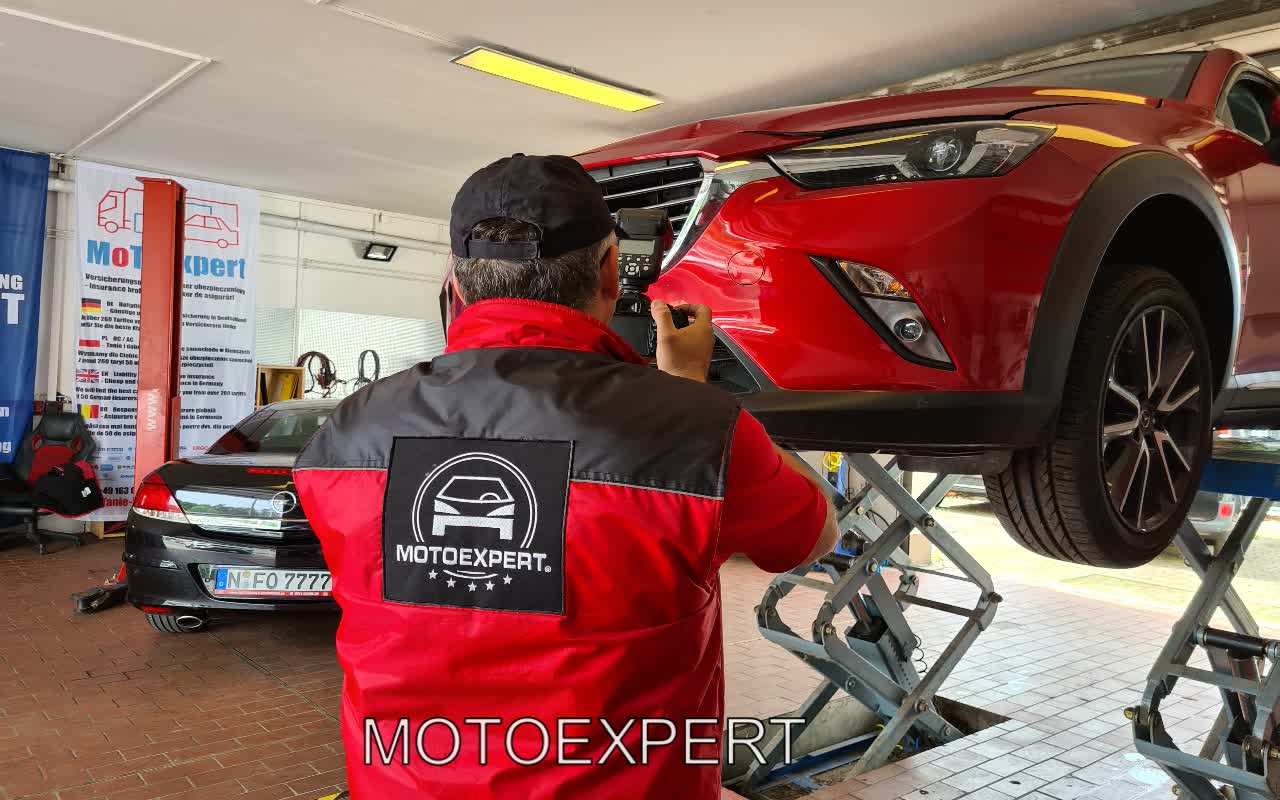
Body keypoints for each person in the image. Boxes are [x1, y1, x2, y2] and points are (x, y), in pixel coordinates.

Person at [293, 154, 838, 799]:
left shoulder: (348, 431)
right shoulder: (696, 431)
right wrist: (691, 394)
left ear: (456, 281)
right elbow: (811, 536)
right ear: (610, 269)